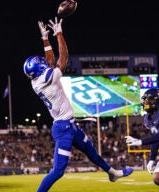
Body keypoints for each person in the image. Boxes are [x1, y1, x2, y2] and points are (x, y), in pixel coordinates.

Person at [23, 17, 133, 192]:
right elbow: (63, 58)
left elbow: (49, 61)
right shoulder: (45, 79)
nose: (44, 63)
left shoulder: (37, 80)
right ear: (38, 70)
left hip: (70, 125)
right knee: (58, 171)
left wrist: (45, 39)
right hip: (63, 128)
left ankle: (113, 173)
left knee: (92, 152)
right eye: (41, 64)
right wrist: (58, 33)